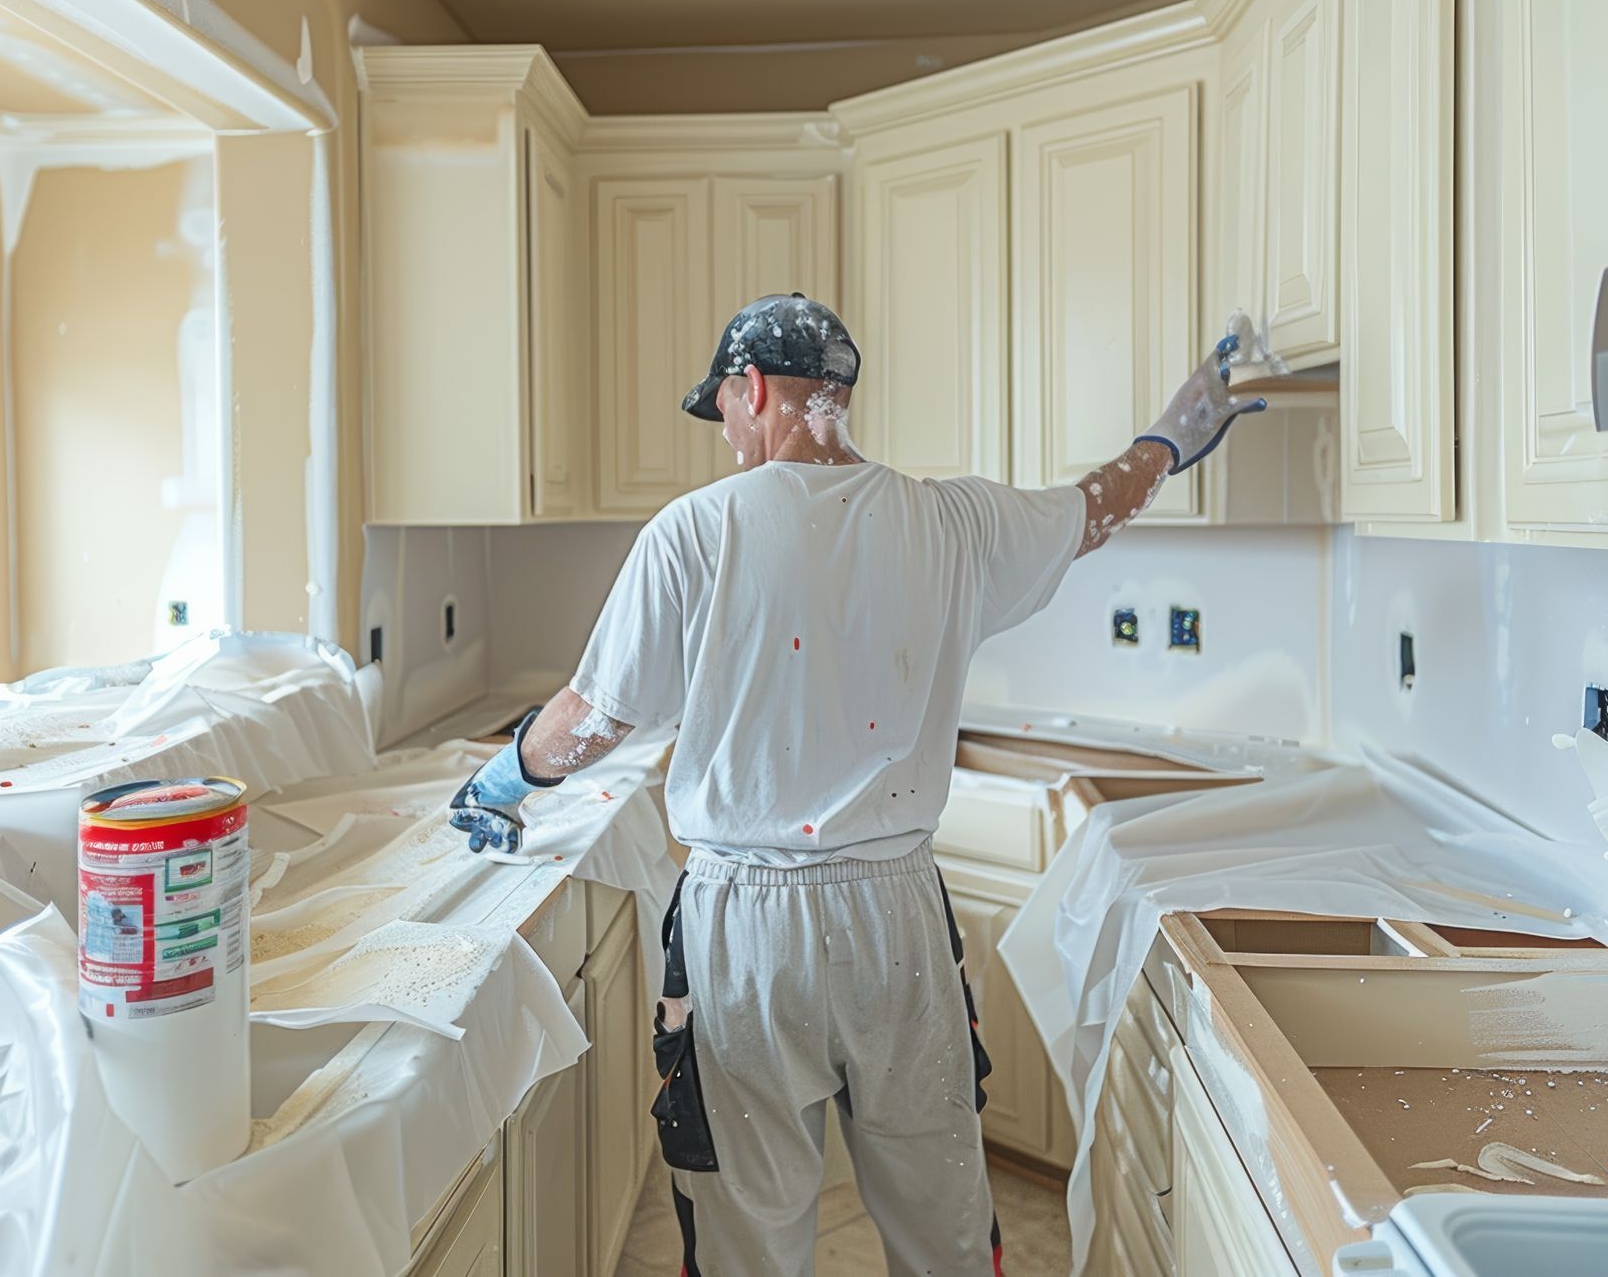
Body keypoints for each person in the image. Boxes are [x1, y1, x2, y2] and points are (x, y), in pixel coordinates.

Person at [448, 293, 1269, 1275]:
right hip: (898, 921)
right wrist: (1177, 430)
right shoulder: (950, 522)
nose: (727, 440)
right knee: (946, 1232)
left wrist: (503, 776)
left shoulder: (693, 533)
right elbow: (1095, 508)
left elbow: (592, 722)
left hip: (742, 932)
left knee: (749, 1242)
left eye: (725, 412)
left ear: (753, 386)